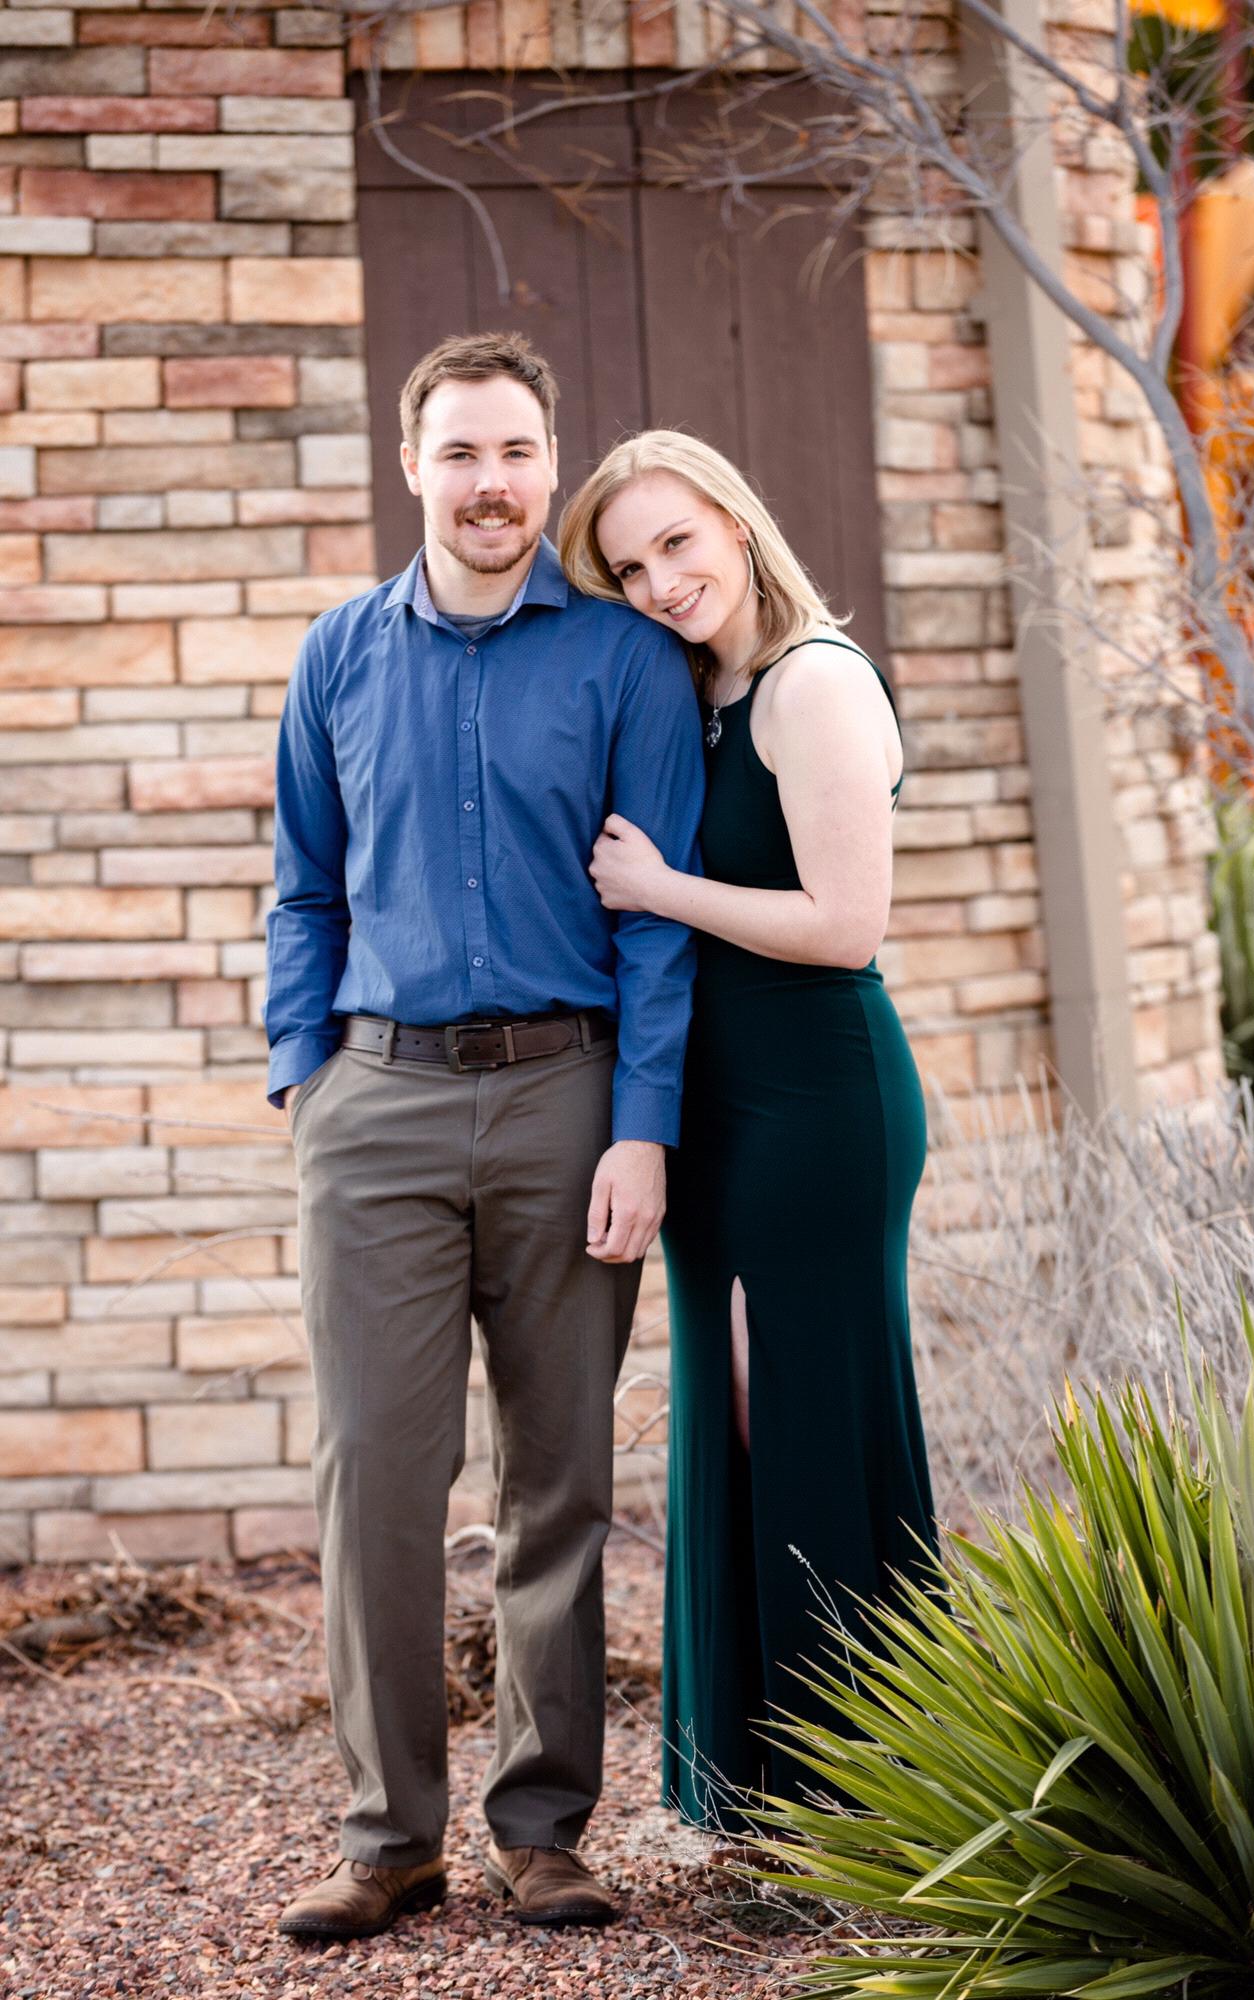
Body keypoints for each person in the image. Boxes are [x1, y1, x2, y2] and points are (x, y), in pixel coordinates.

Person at [265, 339, 703, 1941]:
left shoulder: (623, 665)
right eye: (459, 452)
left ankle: (542, 1830)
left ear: (549, 462)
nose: (491, 482)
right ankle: (388, 1838)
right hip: (374, 1104)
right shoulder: (336, 656)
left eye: (516, 450)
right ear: (412, 466)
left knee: (558, 1477)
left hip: (563, 1100)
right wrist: (304, 1081)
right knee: (375, 1478)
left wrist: (640, 1131)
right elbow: (304, 886)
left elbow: (657, 926)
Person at [559, 432, 937, 1840]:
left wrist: (660, 887)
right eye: (627, 568)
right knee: (736, 1419)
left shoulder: (811, 681)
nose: (660, 582)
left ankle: (870, 1785)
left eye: (676, 543)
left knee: (807, 1413)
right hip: (716, 1110)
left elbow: (845, 925)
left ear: (734, 519)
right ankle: (761, 1786)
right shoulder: (705, 694)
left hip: (816, 1100)